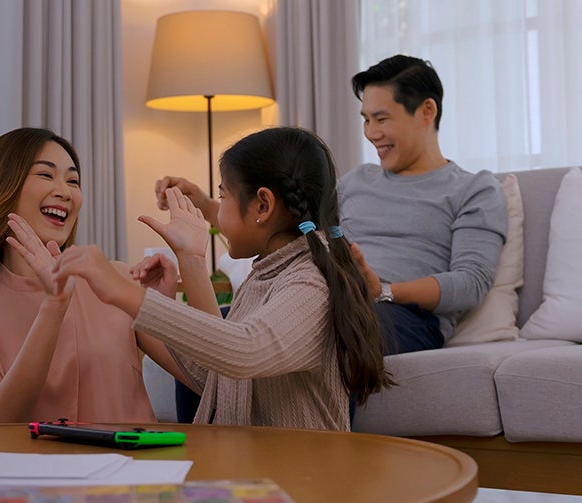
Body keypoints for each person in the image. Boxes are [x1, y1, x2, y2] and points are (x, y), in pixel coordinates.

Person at [51, 127, 461, 503]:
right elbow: (216, 373)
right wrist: (186, 263)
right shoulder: (267, 275)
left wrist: (120, 290)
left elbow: (244, 349)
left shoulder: (310, 282)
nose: (217, 211)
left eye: (224, 196)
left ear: (262, 205)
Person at [155, 55, 504, 356]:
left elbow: (470, 282)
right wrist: (204, 205)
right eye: (365, 119)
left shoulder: (473, 188)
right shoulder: (357, 181)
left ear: (427, 111)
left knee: (320, 325)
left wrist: (381, 290)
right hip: (323, 295)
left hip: (403, 316)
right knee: (201, 332)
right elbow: (283, 227)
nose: (371, 132)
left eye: (381, 119)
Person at [0, 127, 185, 425]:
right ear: (3, 187)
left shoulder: (116, 279)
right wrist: (54, 307)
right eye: (45, 175)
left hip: (133, 456)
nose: (65, 192)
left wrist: (177, 286)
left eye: (73, 181)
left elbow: (210, 381)